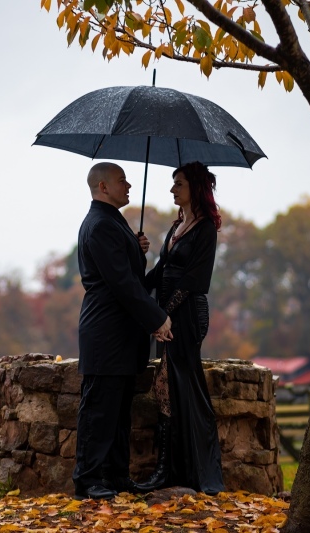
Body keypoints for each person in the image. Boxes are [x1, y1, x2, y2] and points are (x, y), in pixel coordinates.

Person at [72, 162, 173, 501]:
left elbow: (127, 274)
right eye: (121, 181)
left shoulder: (112, 223)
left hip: (121, 333)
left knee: (118, 412)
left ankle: (116, 476)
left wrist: (137, 250)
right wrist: (156, 319)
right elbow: (121, 284)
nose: (128, 185)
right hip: (106, 332)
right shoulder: (100, 224)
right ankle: (88, 481)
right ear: (102, 187)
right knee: (100, 409)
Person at [136, 161, 225, 495]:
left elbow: (195, 280)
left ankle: (190, 471)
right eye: (173, 183)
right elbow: (162, 271)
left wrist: (164, 315)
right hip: (167, 316)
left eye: (179, 183)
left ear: (196, 188)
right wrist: (137, 286)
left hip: (186, 315)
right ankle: (171, 469)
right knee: (167, 387)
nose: (172, 189)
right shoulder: (177, 225)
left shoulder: (205, 229)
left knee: (179, 385)